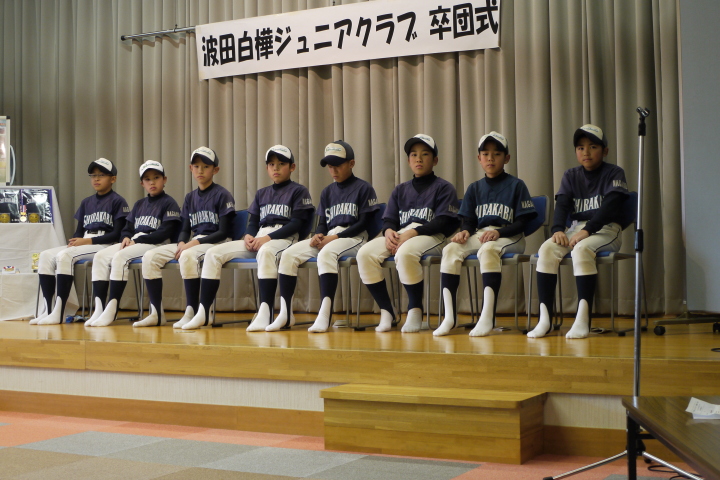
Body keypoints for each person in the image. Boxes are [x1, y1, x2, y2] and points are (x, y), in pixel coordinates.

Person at [181, 145, 314, 331]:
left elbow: (296, 224)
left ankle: (265, 312)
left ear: (292, 167)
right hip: (260, 237)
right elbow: (253, 222)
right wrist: (249, 236)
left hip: (284, 238)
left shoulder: (298, 191)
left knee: (266, 251)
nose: (275, 168)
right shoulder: (261, 193)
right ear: (267, 168)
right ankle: (203, 312)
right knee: (213, 253)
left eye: (281, 164)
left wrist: (267, 238)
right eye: (271, 164)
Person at [527, 124, 629, 339]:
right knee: (546, 249)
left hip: (607, 229)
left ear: (605, 150)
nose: (586, 152)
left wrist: (588, 230)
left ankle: (583, 321)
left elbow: (611, 206)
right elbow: (562, 205)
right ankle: (545, 320)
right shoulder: (571, 175)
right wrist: (557, 230)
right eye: (581, 148)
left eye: (593, 147)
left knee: (581, 249)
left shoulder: (614, 172)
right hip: (575, 229)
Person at [267, 141, 379, 333]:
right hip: (330, 237)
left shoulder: (363, 188)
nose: (333, 170)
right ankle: (285, 315)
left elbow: (364, 223)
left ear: (351, 163)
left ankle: (325, 315)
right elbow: (322, 222)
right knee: (288, 254)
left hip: (355, 237)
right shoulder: (327, 191)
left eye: (338, 165)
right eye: (330, 166)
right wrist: (318, 234)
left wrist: (333, 238)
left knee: (327, 253)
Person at [433, 132, 537, 337]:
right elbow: (469, 221)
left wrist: (499, 232)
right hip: (481, 234)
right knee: (451, 249)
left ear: (506, 158)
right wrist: (464, 232)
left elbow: (523, 222)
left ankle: (487, 317)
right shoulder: (474, 188)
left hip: (510, 235)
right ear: (479, 158)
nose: (491, 158)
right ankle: (450, 317)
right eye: (486, 154)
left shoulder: (517, 185)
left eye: (497, 154)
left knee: (488, 249)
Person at [356, 134, 460, 333]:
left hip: (433, 237)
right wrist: (388, 232)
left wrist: (411, 233)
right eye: (414, 154)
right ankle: (387, 311)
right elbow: (389, 219)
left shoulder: (444, 187)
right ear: (408, 160)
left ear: (435, 160)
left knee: (405, 253)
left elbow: (443, 222)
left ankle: (415, 309)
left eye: (425, 154)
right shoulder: (400, 190)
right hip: (402, 235)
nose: (418, 159)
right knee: (365, 253)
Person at [135, 147, 235, 327]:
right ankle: (156, 313)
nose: (200, 170)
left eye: (206, 166)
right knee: (150, 256)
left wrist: (192, 243)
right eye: (196, 166)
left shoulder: (222, 194)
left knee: (187, 255)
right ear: (191, 168)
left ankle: (193, 310)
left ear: (215, 170)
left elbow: (224, 232)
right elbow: (185, 228)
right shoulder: (190, 197)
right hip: (194, 242)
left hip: (217, 242)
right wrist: (182, 241)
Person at [31, 158, 129, 325]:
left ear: (113, 178)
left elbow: (117, 234)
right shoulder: (86, 202)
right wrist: (74, 242)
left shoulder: (118, 201)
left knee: (65, 256)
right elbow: (79, 231)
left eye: (101, 175)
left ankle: (60, 312)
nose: (96, 179)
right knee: (46, 255)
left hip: (104, 244)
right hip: (86, 242)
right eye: (93, 175)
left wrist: (87, 241)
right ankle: (48, 310)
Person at [85, 160, 181, 327]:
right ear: (142, 183)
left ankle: (112, 308)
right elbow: (127, 228)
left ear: (164, 180)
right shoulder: (139, 204)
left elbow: (165, 232)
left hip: (157, 244)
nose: (152, 182)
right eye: (147, 179)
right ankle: (99, 309)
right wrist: (126, 237)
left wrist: (137, 240)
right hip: (137, 242)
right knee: (100, 256)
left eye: (156, 177)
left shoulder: (169, 202)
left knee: (120, 257)